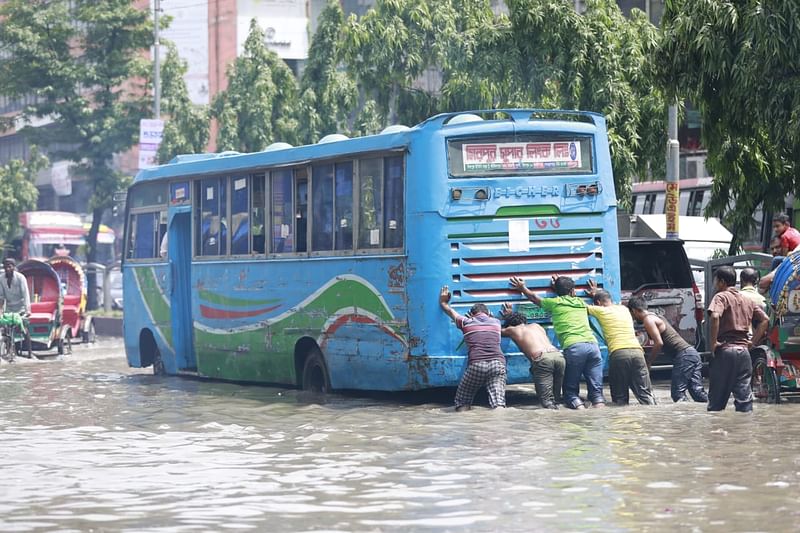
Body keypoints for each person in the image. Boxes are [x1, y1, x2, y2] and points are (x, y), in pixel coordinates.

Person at [510, 275, 605, 409]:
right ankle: (600, 415)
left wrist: (522, 288)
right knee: (596, 393)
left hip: (574, 348)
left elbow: (534, 298)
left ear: (556, 290)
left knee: (571, 392)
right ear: (573, 291)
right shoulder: (580, 303)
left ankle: (581, 413)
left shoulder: (554, 303)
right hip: (593, 347)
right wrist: (594, 292)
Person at [707, 266, 769, 412]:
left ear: (722, 281)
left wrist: (713, 342)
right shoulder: (746, 300)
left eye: (716, 281)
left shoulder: (720, 296)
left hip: (725, 351)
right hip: (744, 354)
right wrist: (752, 343)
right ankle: (745, 432)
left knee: (716, 404)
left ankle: (715, 434)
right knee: (745, 403)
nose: (715, 285)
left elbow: (715, 316)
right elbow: (765, 320)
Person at [585, 282, 656, 406]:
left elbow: (579, 307)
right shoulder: (624, 309)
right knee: (646, 395)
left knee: (620, 399)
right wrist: (597, 293)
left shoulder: (599, 310)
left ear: (598, 303)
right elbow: (605, 302)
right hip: (638, 353)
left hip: (619, 354)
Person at [628, 296, 708, 403]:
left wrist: (649, 362)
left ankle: (684, 418)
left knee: (678, 394)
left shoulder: (648, 320)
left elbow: (658, 343)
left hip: (684, 355)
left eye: (631, 315)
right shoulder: (657, 316)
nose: (632, 318)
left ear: (634, 311)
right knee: (697, 392)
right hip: (692, 353)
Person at [439, 286, 506, 411]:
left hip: (476, 364)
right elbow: (491, 317)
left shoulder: (466, 322)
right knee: (498, 403)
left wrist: (443, 302)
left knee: (462, 400)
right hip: (498, 364)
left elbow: (449, 311)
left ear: (472, 314)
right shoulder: (496, 322)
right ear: (489, 313)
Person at [499, 303, 565, 409]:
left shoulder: (512, 330)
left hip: (543, 360)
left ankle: (550, 421)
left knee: (546, 401)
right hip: (558, 356)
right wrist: (511, 315)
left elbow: (493, 330)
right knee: (556, 398)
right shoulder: (536, 326)